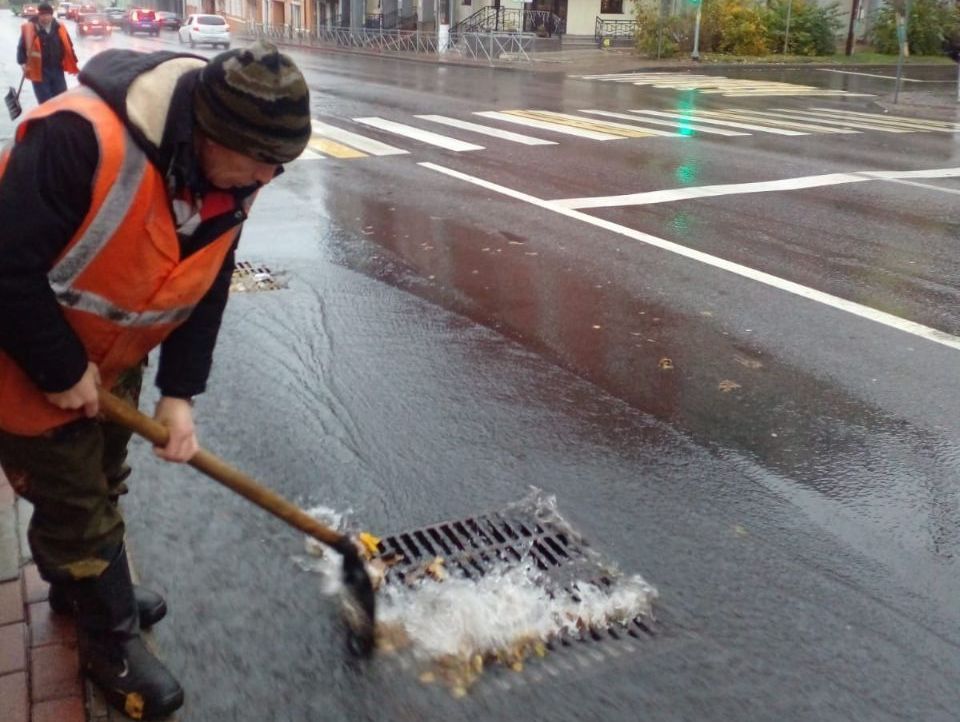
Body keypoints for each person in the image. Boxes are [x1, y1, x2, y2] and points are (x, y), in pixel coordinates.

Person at [0, 41, 311, 720]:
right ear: (207, 133)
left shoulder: (236, 179)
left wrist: (179, 395)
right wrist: (58, 367)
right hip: (17, 355)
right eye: (261, 159)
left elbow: (206, 289)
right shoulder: (77, 140)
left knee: (104, 479)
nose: (269, 176)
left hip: (112, 356)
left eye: (278, 163)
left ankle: (79, 588)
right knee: (79, 506)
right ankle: (109, 641)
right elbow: (4, 265)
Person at [16, 1, 79, 104]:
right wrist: (22, 63)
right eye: (42, 15)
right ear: (38, 15)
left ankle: (59, 119)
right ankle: (48, 119)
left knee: (62, 99)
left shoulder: (59, 27)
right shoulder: (30, 29)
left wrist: (74, 61)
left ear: (51, 15)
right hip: (39, 71)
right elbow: (21, 47)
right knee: (45, 102)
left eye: (47, 15)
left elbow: (68, 45)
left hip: (57, 69)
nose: (44, 17)